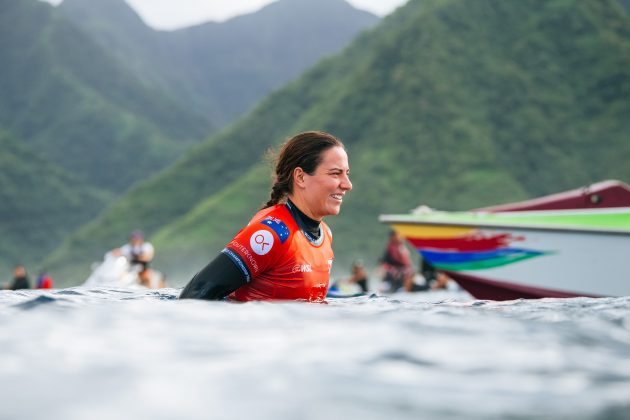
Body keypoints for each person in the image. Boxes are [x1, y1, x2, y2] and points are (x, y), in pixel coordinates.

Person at [180, 131, 352, 302]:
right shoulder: (272, 233)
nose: (347, 185)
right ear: (300, 177)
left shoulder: (325, 234)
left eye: (347, 174)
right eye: (335, 174)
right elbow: (194, 295)